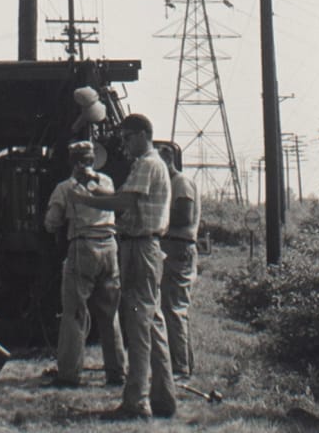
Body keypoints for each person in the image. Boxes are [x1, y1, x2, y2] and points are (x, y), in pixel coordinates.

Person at [75, 113, 176, 420]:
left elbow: (123, 203)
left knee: (138, 325)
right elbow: (121, 198)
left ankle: (137, 402)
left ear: (144, 134)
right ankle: (163, 399)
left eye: (128, 137)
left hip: (140, 247)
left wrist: (85, 200)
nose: (124, 144)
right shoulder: (148, 164)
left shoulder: (147, 164)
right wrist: (94, 188)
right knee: (152, 323)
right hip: (143, 245)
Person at [43, 140, 127, 388]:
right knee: (110, 314)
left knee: (75, 313)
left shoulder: (65, 188)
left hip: (83, 247)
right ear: (93, 160)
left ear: (72, 161)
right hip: (110, 247)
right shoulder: (107, 182)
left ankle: (68, 375)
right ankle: (116, 372)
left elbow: (51, 222)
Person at [157, 144, 201, 379]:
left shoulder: (181, 183)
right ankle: (182, 364)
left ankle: (181, 368)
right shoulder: (172, 184)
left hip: (178, 247)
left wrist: (154, 214)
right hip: (171, 247)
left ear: (168, 160)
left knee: (174, 309)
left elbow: (184, 216)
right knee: (171, 309)